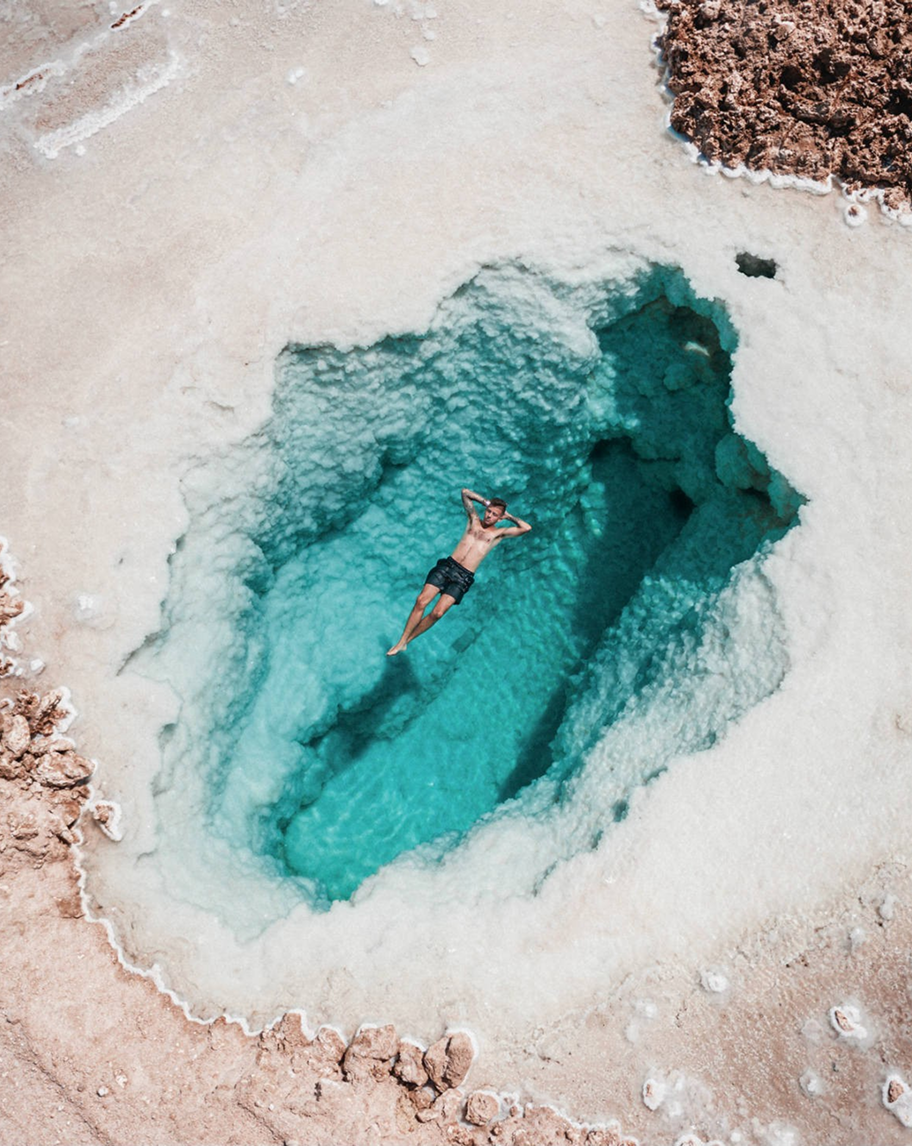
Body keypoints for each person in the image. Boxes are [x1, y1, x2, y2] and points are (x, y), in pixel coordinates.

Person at [387, 487, 532, 656]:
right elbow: (465, 493)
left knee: (437, 613)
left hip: (463, 577)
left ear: (499, 519)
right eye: (488, 512)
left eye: (494, 515)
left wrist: (509, 517)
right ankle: (401, 640)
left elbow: (526, 528)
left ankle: (407, 642)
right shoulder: (473, 520)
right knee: (421, 601)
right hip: (448, 566)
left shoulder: (499, 534)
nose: (489, 516)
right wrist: (486, 502)